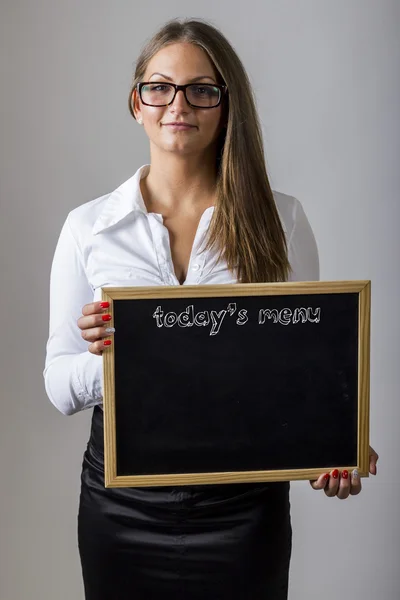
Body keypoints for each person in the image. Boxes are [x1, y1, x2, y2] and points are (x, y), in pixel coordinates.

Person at [43, 18, 378, 600]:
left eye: (202, 89)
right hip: (119, 506)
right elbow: (56, 382)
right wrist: (114, 359)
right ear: (136, 104)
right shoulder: (88, 227)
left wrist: (335, 443)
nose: (179, 104)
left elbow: (304, 372)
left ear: (227, 106)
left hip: (243, 509)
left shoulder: (282, 219)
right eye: (160, 87)